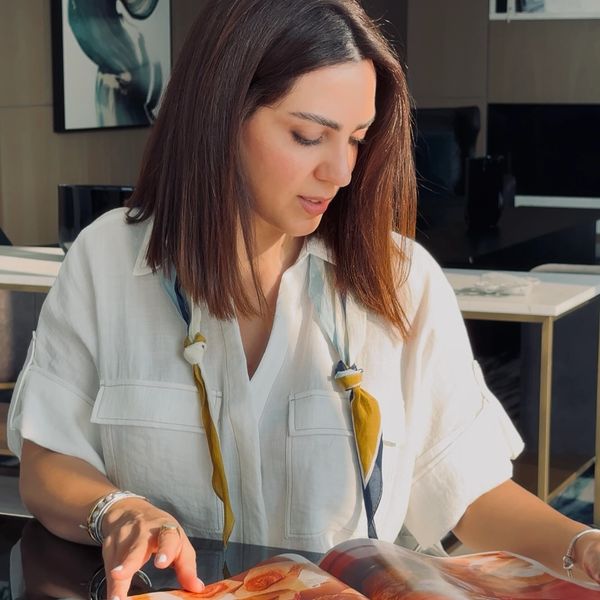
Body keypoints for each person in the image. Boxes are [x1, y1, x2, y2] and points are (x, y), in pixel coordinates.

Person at [7, 1, 600, 599]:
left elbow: (466, 486)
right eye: (308, 136)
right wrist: (118, 509)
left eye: (358, 139)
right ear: (220, 114)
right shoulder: (105, 260)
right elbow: (48, 459)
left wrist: (582, 545)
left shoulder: (402, 280)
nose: (340, 171)